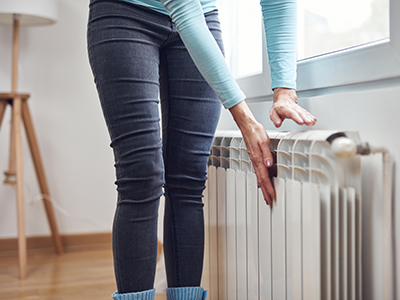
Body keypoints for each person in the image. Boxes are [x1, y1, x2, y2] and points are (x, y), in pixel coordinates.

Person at [87, 0, 316, 299]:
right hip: (124, 12)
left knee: (189, 178)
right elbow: (183, 8)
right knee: (142, 174)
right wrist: (245, 119)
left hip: (202, 16)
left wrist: (284, 90)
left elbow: (278, 2)